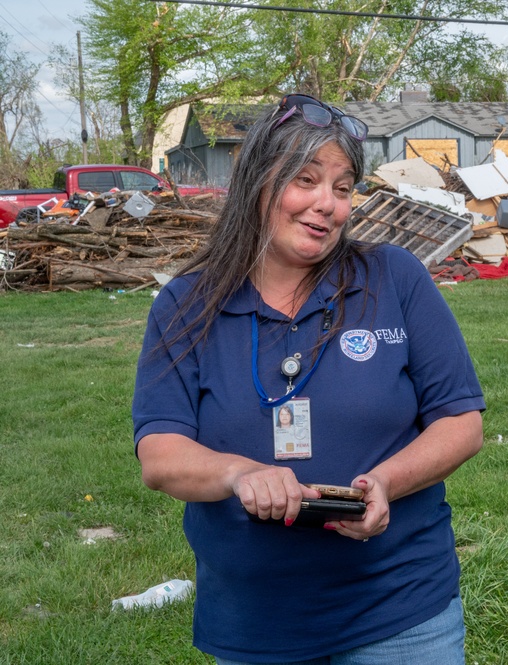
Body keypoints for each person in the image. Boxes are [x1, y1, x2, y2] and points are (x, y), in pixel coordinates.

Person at [132, 93, 485, 665]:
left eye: (343, 188)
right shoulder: (185, 304)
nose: (328, 205)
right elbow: (160, 452)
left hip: (400, 610)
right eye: (306, 180)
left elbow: (461, 422)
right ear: (257, 183)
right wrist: (241, 473)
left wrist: (387, 483)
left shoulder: (394, 278)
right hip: (256, 622)